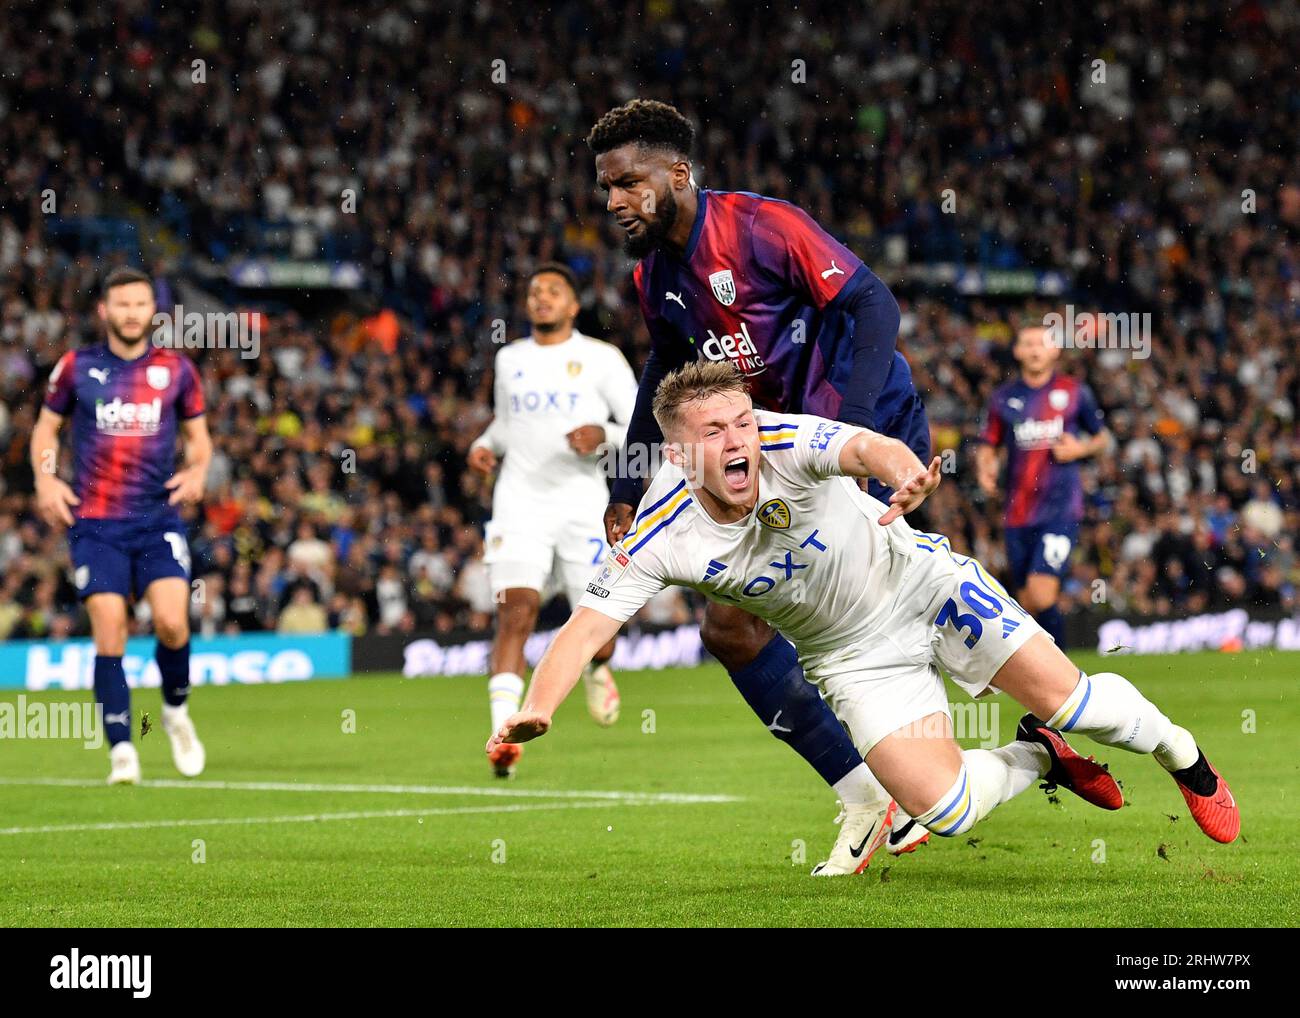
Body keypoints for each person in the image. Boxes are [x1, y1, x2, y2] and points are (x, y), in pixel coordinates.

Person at [488, 363, 1240, 874]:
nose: (739, 438)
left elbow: (864, 445)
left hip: (921, 586)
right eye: (714, 432)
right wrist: (537, 709)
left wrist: (903, 472)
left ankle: (1186, 757)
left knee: (1078, 702)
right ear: (680, 457)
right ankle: (1039, 756)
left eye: (741, 421)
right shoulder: (660, 533)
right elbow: (585, 628)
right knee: (945, 811)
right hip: (852, 660)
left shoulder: (780, 441)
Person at [588, 98, 931, 857]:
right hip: (772, 453)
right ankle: (867, 793)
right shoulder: (656, 277)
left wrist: (853, 430)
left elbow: (873, 305)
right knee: (730, 627)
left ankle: (1049, 729)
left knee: (912, 614)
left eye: (626, 183)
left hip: (859, 431)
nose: (614, 201)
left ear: (676, 173)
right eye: (605, 188)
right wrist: (624, 482)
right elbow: (665, 369)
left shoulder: (761, 226)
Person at [31, 267, 211, 784]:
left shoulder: (176, 370)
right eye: (122, 305)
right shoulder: (76, 367)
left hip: (157, 520)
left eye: (140, 304)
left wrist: (198, 470)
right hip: (96, 524)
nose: (132, 313)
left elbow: (200, 441)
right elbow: (46, 429)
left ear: (152, 311)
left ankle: (175, 711)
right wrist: (45, 480)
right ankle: (123, 752)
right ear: (104, 311)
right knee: (110, 629)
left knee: (173, 623)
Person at [467, 263, 638, 777]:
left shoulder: (600, 358)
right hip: (518, 503)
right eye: (534, 291)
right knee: (515, 612)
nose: (540, 298)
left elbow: (640, 424)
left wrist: (604, 435)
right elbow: (506, 423)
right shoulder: (509, 358)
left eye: (553, 291)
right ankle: (503, 735)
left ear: (572, 306)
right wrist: (483, 444)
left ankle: (600, 666)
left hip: (582, 506)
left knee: (598, 629)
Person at [976, 325, 1111, 647]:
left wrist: (1080, 449)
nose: (1035, 348)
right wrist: (985, 469)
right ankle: (1040, 680)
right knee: (1027, 602)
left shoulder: (1074, 391)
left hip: (1060, 510)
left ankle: (1063, 674)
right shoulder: (1003, 398)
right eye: (1027, 342)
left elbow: (1102, 437)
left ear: (1055, 351)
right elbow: (987, 443)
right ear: (1017, 351)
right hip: (1018, 512)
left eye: (1042, 342)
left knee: (1041, 591)